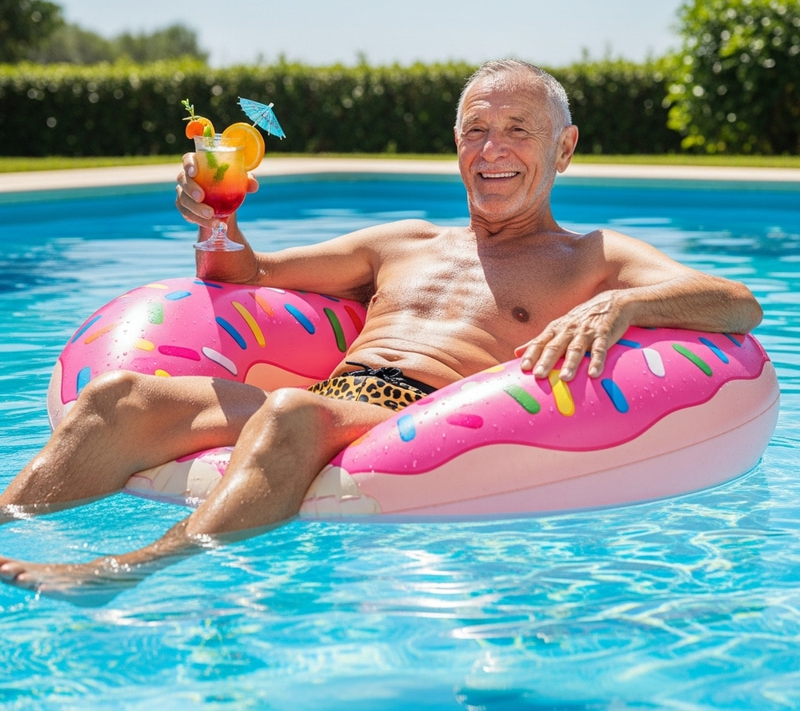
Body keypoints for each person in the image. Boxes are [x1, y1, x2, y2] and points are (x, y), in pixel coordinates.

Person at [0, 59, 762, 603]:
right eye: (475, 131)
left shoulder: (594, 256)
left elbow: (736, 303)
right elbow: (246, 276)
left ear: (563, 147)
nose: (491, 150)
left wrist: (621, 306)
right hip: (331, 396)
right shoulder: (402, 242)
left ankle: (129, 571)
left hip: (416, 419)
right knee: (119, 394)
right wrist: (217, 218)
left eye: (517, 130)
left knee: (293, 412)